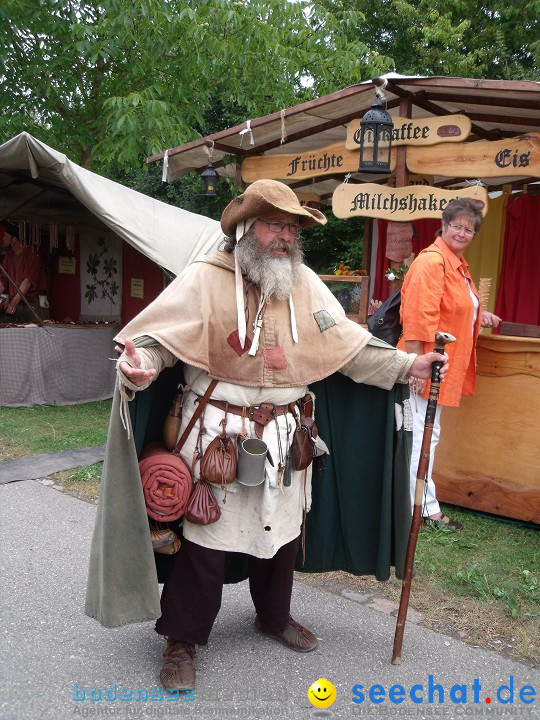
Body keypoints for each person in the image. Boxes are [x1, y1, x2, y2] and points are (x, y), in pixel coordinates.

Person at [90, 179, 448, 692]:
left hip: (287, 435)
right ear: (244, 229)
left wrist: (408, 364)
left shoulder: (303, 283)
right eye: (274, 224)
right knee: (207, 539)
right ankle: (182, 640)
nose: (285, 236)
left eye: (291, 226)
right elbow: (157, 339)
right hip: (218, 435)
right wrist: (141, 365)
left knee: (281, 532)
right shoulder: (206, 279)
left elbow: (349, 346)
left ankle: (273, 616)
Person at [397, 198, 501, 530]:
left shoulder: (455, 263)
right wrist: (415, 364)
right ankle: (420, 508)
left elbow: (449, 306)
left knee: (428, 435)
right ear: (443, 225)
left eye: (469, 228)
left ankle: (419, 505)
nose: (462, 232)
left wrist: (476, 314)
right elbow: (416, 316)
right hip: (423, 366)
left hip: (435, 367)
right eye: (457, 225)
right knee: (419, 437)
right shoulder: (433, 261)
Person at [0, 221, 49, 323]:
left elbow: (26, 283)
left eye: (5, 235)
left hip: (32, 304)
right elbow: (3, 282)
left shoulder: (32, 255)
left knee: (36, 334)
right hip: (18, 303)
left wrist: (13, 303)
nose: (3, 238)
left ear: (14, 239)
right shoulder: (9, 257)